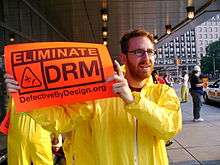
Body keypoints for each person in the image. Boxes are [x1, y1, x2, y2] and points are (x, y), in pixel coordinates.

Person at [5, 29, 182, 165]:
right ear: (123, 57)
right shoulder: (101, 94)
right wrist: (26, 98)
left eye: (150, 52)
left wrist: (132, 100)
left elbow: (168, 129)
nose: (146, 58)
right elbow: (63, 120)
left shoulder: (163, 93)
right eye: (138, 52)